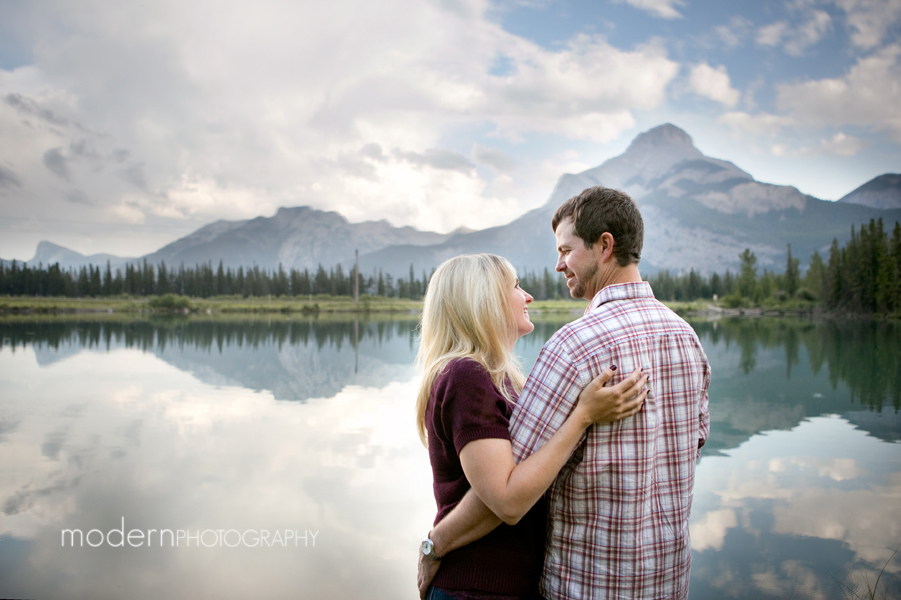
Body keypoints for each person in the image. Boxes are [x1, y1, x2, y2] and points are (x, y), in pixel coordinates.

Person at [421, 187, 711, 600]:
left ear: (604, 246)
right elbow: (693, 444)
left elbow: (506, 493)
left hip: (587, 583)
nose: (557, 266)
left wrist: (434, 545)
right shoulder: (688, 339)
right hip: (666, 580)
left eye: (566, 250)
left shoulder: (575, 347)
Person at [416, 253, 649, 600]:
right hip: (476, 586)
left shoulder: (505, 379)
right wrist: (583, 416)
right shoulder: (465, 376)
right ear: (485, 301)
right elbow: (508, 501)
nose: (527, 296)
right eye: (515, 286)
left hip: (510, 585)